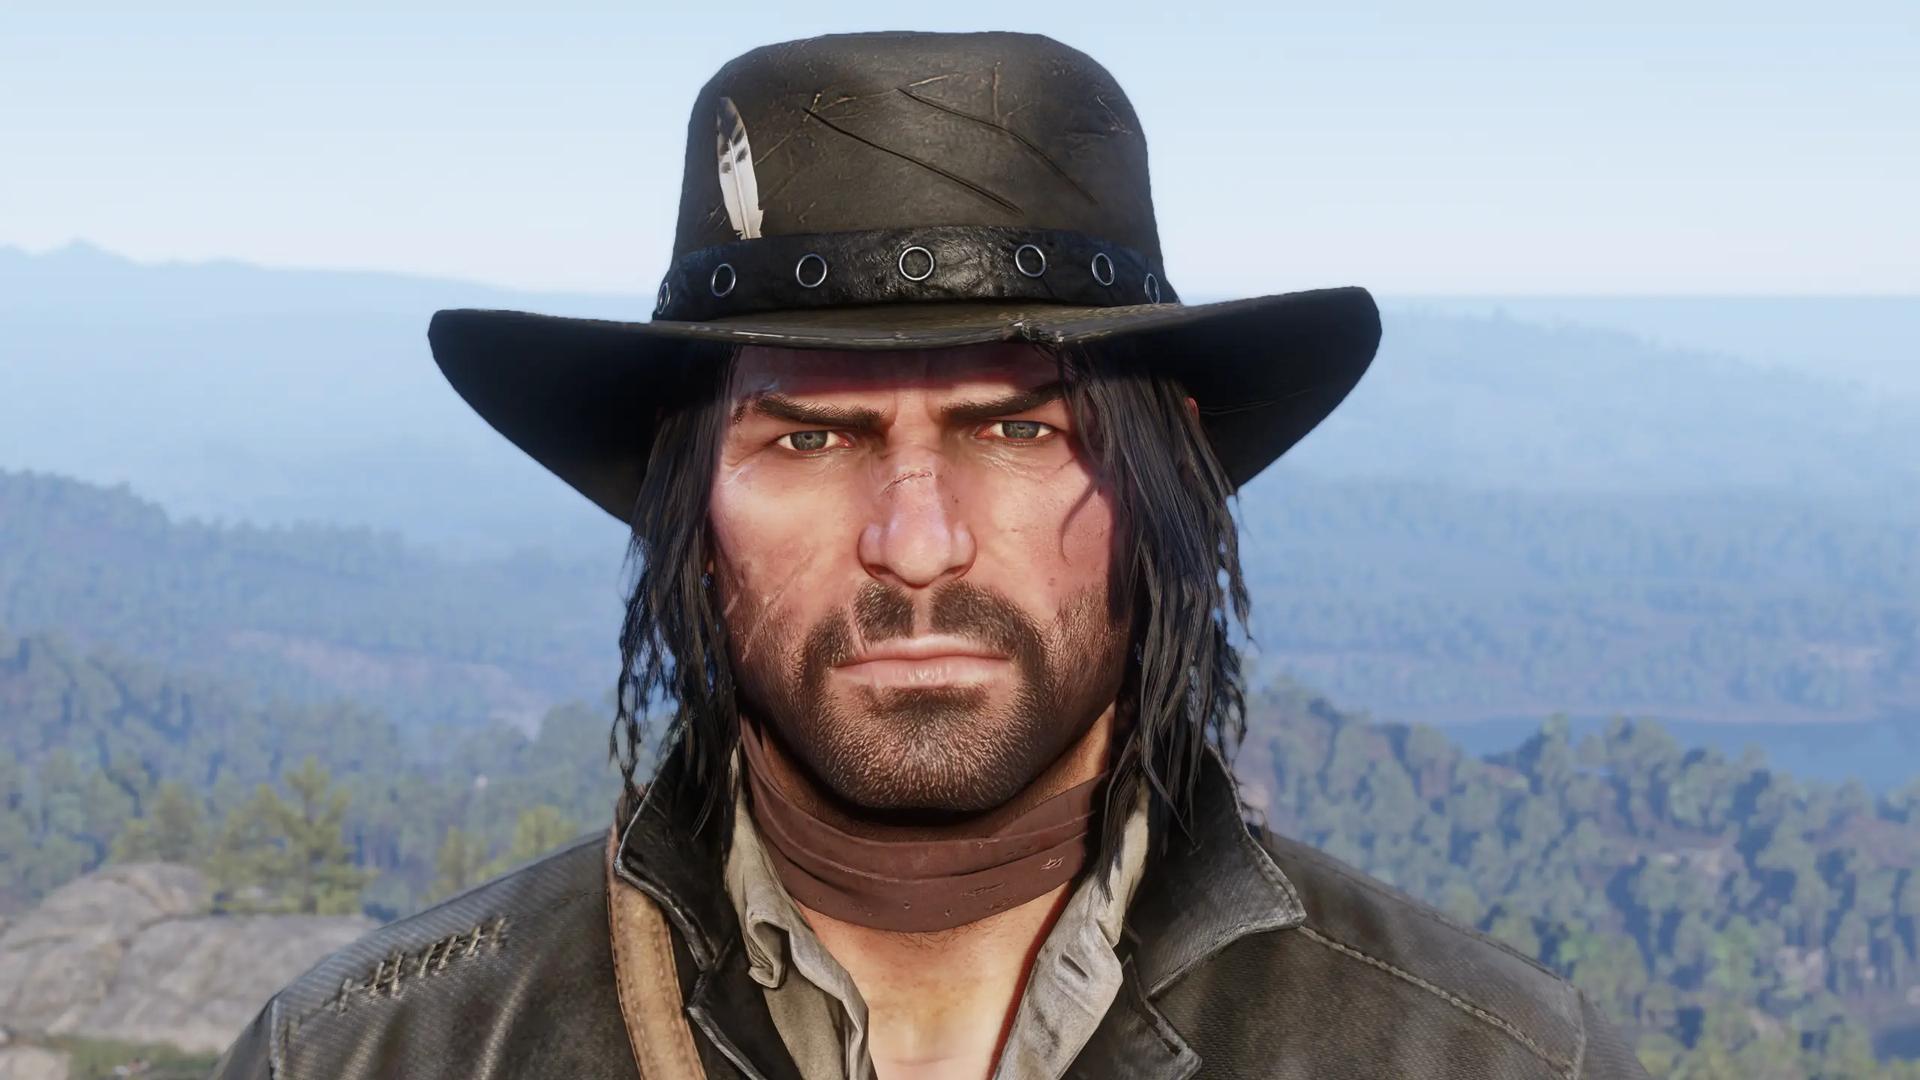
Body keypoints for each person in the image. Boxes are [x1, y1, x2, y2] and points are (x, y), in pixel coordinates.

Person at [211, 30, 1652, 1080]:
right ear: (687, 508)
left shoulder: (1487, 1057)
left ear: (1164, 484)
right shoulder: (374, 1055)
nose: (916, 543)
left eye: (1020, 430)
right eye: (808, 439)